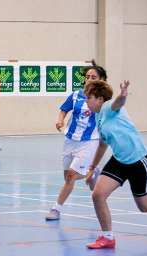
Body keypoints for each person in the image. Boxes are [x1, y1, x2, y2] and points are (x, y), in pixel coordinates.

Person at [84, 80, 147, 249]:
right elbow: (103, 144)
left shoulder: (108, 106)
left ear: (100, 99)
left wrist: (123, 95)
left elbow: (118, 103)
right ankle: (107, 238)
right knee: (98, 195)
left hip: (139, 161)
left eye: (89, 97)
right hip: (119, 161)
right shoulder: (98, 117)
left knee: (145, 206)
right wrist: (93, 167)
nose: (86, 101)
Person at [45, 61, 106, 220]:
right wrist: (60, 120)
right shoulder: (75, 94)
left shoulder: (102, 100)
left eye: (93, 77)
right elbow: (64, 108)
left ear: (100, 80)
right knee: (67, 177)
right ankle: (91, 174)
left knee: (71, 176)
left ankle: (56, 209)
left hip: (89, 141)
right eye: (87, 77)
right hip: (70, 140)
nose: (89, 80)